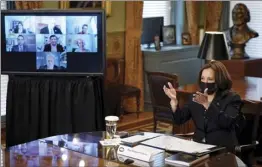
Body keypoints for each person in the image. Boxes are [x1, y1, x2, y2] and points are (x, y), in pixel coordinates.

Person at [163, 60, 244, 152]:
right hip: (198, 148)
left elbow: (226, 122)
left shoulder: (232, 98)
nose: (205, 82)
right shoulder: (196, 97)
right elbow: (179, 120)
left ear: (219, 80)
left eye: (209, 79)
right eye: (203, 78)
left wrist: (207, 104)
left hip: (222, 149)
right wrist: (174, 102)